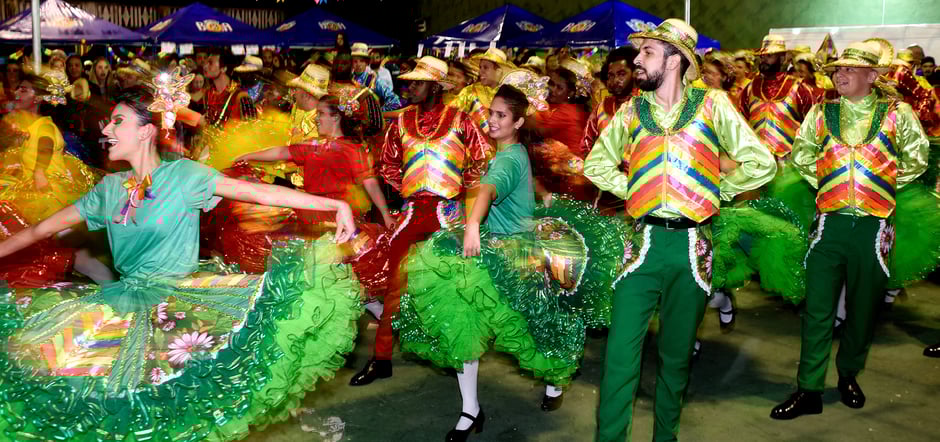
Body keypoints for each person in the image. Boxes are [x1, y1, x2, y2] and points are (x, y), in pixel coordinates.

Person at [0, 83, 363, 440]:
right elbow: (37, 231)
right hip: (123, 308)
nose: (106, 130)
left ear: (146, 131)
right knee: (116, 408)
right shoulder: (108, 190)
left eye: (117, 121)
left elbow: (260, 192)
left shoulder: (185, 176)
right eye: (108, 123)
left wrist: (335, 204)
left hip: (181, 311)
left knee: (181, 412)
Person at [395, 70, 626, 439]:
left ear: (518, 121)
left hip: (517, 255)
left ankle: (554, 380)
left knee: (534, 327)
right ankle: (470, 410)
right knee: (462, 322)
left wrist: (471, 225)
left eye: (502, 116)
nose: (492, 120)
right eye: (491, 113)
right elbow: (511, 175)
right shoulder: (509, 150)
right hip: (491, 249)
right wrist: (538, 193)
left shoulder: (507, 158)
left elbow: (487, 189)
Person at [583, 19, 776, 441]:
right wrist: (635, 188)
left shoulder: (714, 105)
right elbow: (595, 164)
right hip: (642, 247)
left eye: (648, 52)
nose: (637, 58)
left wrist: (714, 192)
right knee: (618, 358)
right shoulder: (632, 110)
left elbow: (762, 163)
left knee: (675, 360)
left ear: (675, 60)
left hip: (693, 248)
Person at [770, 40, 930, 420]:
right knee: (817, 310)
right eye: (836, 70)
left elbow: (917, 157)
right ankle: (808, 388)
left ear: (872, 76)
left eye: (848, 70)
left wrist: (881, 186)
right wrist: (830, 185)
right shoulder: (821, 112)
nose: (839, 75)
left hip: (875, 229)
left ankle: (848, 374)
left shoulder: (898, 112)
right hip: (829, 224)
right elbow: (803, 154)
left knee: (862, 309)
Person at [348, 56, 491, 386]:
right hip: (412, 213)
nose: (409, 87)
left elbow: (483, 158)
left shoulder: (461, 120)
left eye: (417, 82)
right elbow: (387, 163)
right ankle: (381, 357)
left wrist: (459, 189)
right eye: (408, 81)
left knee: (454, 286)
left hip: (449, 216)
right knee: (394, 287)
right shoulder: (399, 122)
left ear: (436, 87)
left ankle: (459, 355)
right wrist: (410, 189)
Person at [0, 70, 113, 286]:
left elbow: (45, 146)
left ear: (37, 97)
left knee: (74, 253)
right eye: (18, 88)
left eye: (23, 89)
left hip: (48, 195)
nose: (17, 92)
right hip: (39, 193)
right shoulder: (29, 127)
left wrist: (39, 171)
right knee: (73, 255)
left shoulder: (44, 125)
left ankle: (118, 291)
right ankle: (113, 288)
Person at [580, 47, 640, 214]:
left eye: (621, 74)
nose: (615, 80)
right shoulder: (602, 107)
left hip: (639, 188)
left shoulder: (645, 107)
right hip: (606, 191)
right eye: (611, 75)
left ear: (635, 74)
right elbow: (587, 143)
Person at [739, 35, 817, 160]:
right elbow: (741, 124)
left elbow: (813, 128)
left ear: (782, 58)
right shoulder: (750, 88)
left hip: (789, 166)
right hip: (757, 162)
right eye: (762, 56)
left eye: (769, 56)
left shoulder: (799, 88)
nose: (763, 60)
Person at [449, 48, 515, 133]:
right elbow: (451, 113)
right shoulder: (470, 91)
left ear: (499, 71)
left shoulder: (511, 94)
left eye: (485, 68)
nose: (480, 72)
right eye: (480, 67)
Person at [351, 43, 403, 112]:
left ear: (366, 63)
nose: (358, 64)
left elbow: (395, 101)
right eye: (355, 61)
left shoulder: (373, 80)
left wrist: (378, 112)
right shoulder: (348, 79)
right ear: (351, 63)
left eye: (362, 61)